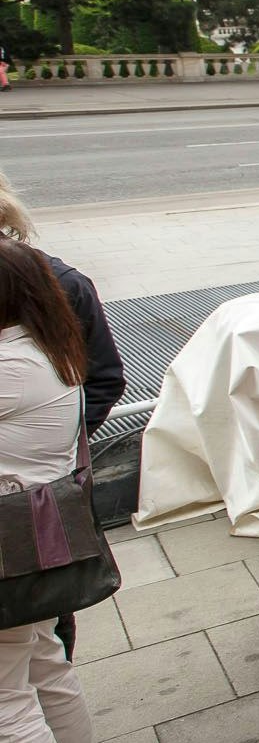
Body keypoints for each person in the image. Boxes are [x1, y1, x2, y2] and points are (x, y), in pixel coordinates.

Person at [0, 174, 125, 664]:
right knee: (42, 654)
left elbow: (103, 378)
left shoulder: (61, 283)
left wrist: (54, 449)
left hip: (40, 494)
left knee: (46, 617)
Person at [0, 238, 96, 743]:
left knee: (7, 701)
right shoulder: (43, 351)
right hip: (31, 542)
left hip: (8, 548)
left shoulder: (10, 371)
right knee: (46, 668)